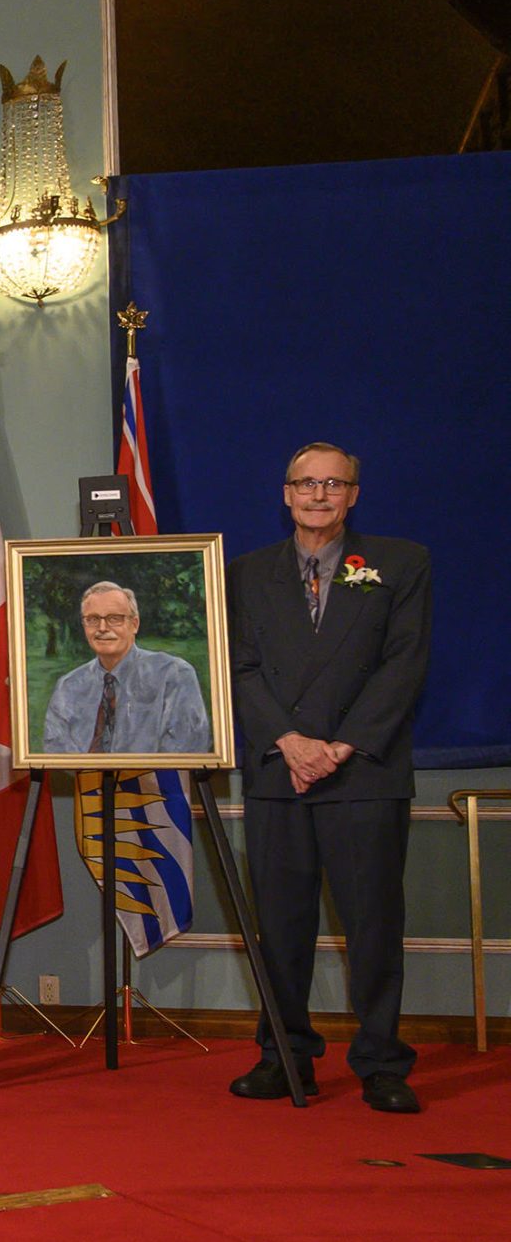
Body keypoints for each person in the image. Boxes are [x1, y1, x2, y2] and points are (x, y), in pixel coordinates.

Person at [224, 442, 431, 1112]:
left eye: (333, 484)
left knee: (372, 926)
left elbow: (402, 666)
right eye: (306, 483)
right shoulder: (245, 573)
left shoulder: (401, 563)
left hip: (362, 772)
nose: (319, 494)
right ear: (285, 492)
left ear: (354, 495)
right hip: (279, 772)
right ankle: (284, 1055)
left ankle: (381, 1062)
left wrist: (338, 747)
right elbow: (239, 668)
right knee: (280, 928)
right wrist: (290, 741)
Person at [39, 581, 209, 755]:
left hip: (154, 781)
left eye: (114, 619)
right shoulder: (68, 686)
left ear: (134, 624)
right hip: (82, 781)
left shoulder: (173, 674)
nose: (102, 628)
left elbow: (187, 746)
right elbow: (56, 752)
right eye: (93, 619)